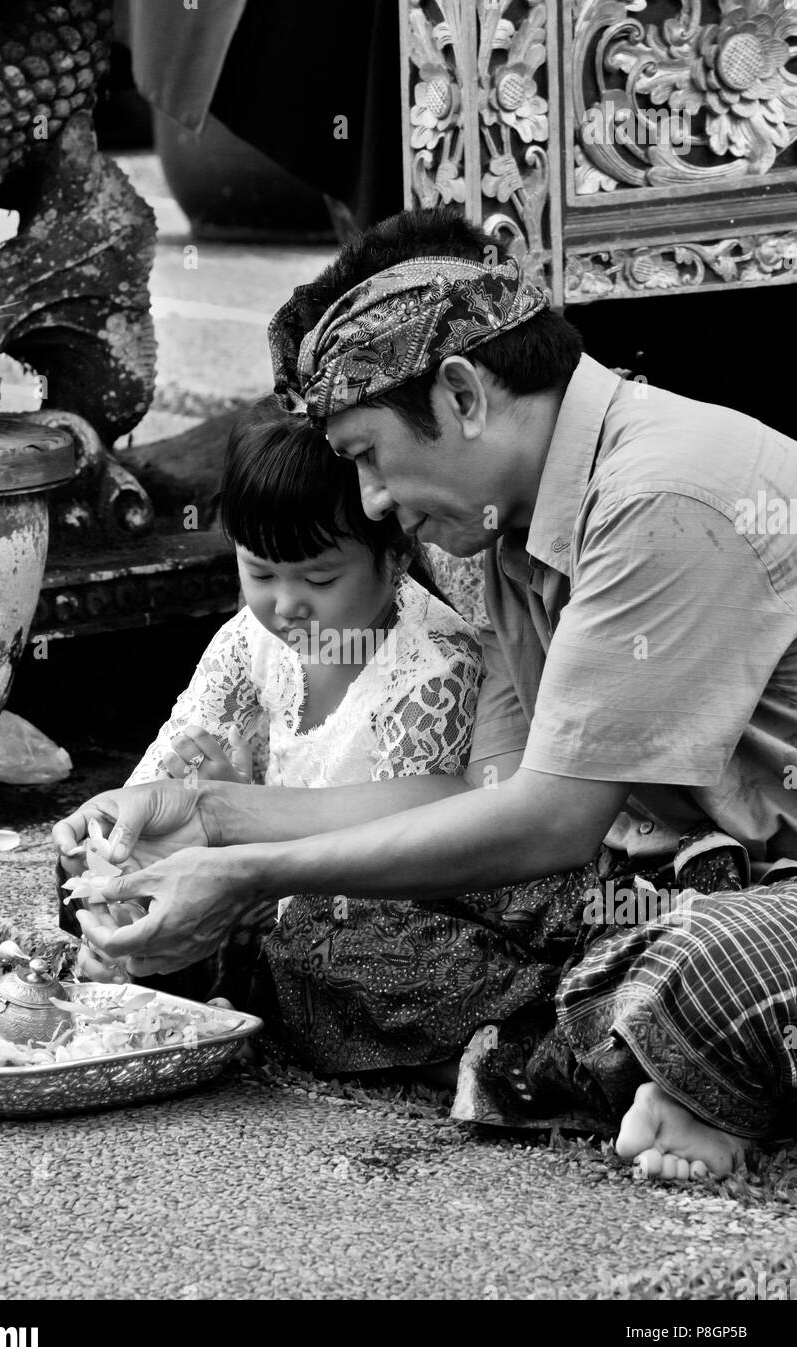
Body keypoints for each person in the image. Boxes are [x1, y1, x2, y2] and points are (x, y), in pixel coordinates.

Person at [55, 208, 797, 1180]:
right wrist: (211, 827)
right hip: (640, 887)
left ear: (461, 394)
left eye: (366, 454)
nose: (367, 501)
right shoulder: (500, 530)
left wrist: (246, 870)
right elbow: (494, 804)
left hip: (747, 899)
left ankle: (638, 1039)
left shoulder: (661, 496)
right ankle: (610, 1042)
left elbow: (549, 825)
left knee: (705, 973)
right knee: (317, 934)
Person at [72, 394, 483, 1025]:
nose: (286, 605)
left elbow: (416, 854)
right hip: (248, 901)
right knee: (90, 870)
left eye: (319, 580)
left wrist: (243, 828)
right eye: (259, 573)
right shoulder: (250, 640)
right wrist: (116, 870)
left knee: (352, 949)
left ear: (397, 553)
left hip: (354, 907)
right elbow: (157, 781)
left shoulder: (430, 668)